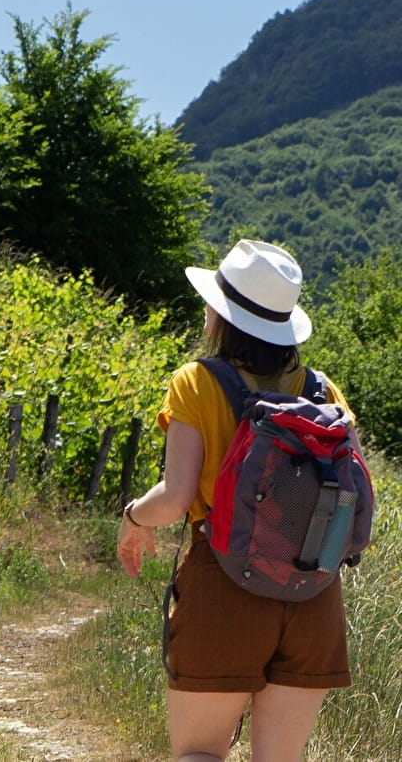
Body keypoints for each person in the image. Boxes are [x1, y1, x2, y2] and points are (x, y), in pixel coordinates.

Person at [117, 239, 353, 762]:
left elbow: (175, 498)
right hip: (313, 593)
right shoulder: (322, 391)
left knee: (200, 753)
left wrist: (133, 517)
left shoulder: (197, 383)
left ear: (223, 317)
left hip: (225, 582)